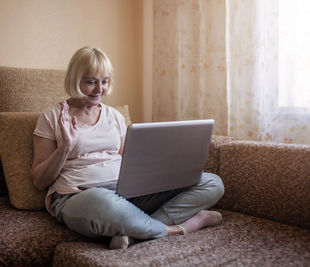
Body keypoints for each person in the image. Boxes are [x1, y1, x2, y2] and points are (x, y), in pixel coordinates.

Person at [31, 46, 225, 249]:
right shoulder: (52, 117)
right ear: (75, 79)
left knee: (211, 182)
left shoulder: (114, 116)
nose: (100, 89)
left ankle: (132, 233)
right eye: (91, 82)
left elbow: (130, 163)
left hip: (125, 193)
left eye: (105, 81)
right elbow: (39, 181)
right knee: (103, 202)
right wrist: (65, 147)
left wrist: (157, 177)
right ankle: (180, 228)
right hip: (79, 195)